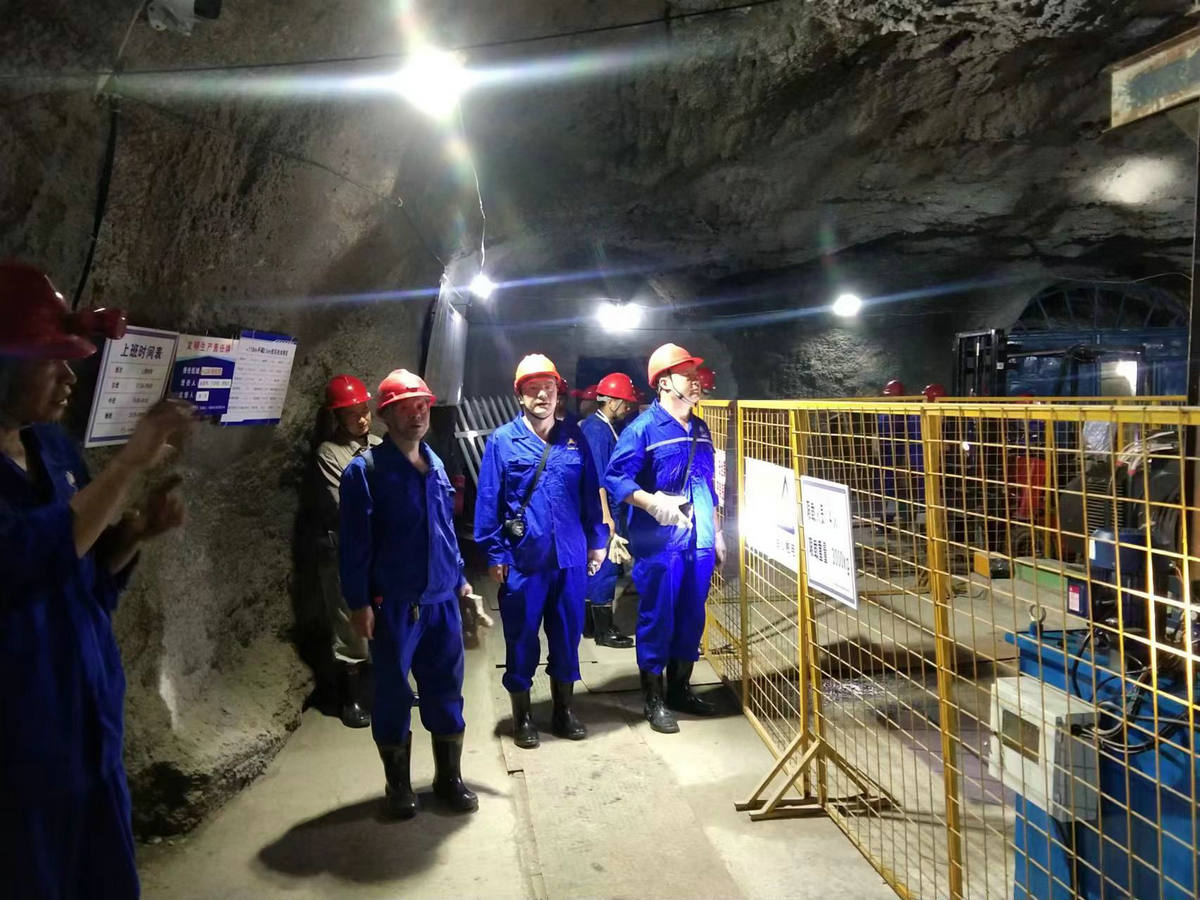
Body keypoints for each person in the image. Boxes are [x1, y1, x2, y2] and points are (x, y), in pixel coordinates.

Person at [0, 262, 194, 899]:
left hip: (88, 733)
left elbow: (81, 578)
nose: (69, 377)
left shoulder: (52, 449)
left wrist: (133, 535)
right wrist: (129, 464)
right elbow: (23, 562)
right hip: (19, 757)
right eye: (50, 361)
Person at [339, 369, 478, 818]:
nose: (417, 414)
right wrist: (359, 602)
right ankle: (398, 785)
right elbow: (354, 545)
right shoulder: (366, 471)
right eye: (405, 408)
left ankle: (448, 778)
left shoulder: (434, 464)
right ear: (386, 415)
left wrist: (460, 579)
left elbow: (445, 530)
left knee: (446, 689)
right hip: (394, 604)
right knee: (393, 693)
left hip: (441, 601)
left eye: (422, 405)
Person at [475, 354, 608, 749]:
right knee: (521, 638)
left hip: (570, 557)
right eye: (533, 389)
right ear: (520, 396)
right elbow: (488, 499)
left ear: (557, 393)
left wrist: (597, 540)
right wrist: (495, 553)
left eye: (548, 388)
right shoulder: (502, 441)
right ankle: (523, 716)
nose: (542, 396)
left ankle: (563, 711)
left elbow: (590, 492)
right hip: (525, 560)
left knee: (567, 635)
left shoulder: (574, 437)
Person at [605, 343, 725, 734]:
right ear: (663, 383)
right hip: (659, 543)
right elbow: (615, 478)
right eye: (686, 375)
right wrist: (650, 502)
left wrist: (717, 532)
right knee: (658, 616)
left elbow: (708, 483)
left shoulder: (701, 428)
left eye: (695, 374)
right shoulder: (642, 429)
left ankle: (680, 689)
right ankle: (653, 699)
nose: (695, 381)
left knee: (692, 614)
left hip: (699, 541)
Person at [309, 374, 381, 728]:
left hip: (380, 548)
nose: (362, 419)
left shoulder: (380, 445)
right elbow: (345, 506)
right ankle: (350, 698)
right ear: (337, 417)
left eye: (364, 410)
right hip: (344, 550)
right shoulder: (330, 454)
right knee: (349, 622)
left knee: (383, 618)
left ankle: (384, 687)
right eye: (352, 414)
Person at [579, 372, 639, 649]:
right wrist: (606, 517)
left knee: (596, 565)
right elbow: (598, 478)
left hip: (605, 508)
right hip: (603, 509)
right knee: (607, 566)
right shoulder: (597, 431)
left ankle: (590, 626)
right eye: (625, 403)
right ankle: (604, 631)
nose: (628, 408)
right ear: (612, 401)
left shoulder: (602, 427)